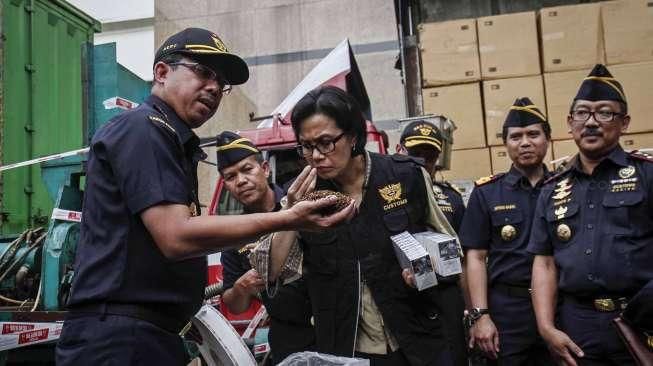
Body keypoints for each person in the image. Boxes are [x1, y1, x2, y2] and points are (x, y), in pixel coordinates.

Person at [55, 28, 354, 366]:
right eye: (202, 71)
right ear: (162, 73)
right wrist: (288, 218)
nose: (214, 87)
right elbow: (175, 237)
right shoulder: (144, 129)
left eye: (221, 83)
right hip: (122, 339)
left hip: (148, 335)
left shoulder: (169, 140)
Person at [251, 85, 461, 366]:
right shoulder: (302, 193)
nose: (316, 156)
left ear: (352, 136)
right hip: (349, 349)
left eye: (326, 143)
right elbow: (271, 269)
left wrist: (430, 269)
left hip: (417, 337)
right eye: (306, 146)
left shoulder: (405, 176)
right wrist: (291, 214)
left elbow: (448, 246)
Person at [528, 64, 653, 366]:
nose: (592, 122)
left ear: (624, 123)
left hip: (640, 318)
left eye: (605, 113)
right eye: (582, 113)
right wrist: (546, 328)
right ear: (570, 123)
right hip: (577, 325)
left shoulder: (646, 174)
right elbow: (544, 263)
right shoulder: (552, 188)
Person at [460, 97, 554, 365]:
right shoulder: (487, 192)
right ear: (506, 144)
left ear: (548, 139)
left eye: (533, 134)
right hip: (508, 309)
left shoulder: (563, 188)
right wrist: (481, 316)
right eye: (516, 137)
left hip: (559, 305)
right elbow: (474, 258)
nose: (525, 142)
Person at [216, 131, 314, 364]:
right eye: (230, 177)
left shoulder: (298, 204)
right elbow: (235, 305)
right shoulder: (234, 232)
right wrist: (242, 287)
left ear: (265, 169)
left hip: (331, 325)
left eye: (247, 170)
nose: (240, 181)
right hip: (288, 337)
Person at [397, 120, 468, 366]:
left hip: (446, 295)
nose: (422, 163)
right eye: (415, 155)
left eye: (429, 156)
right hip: (405, 298)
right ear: (399, 151)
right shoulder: (387, 197)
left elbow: (467, 258)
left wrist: (474, 312)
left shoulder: (451, 198)